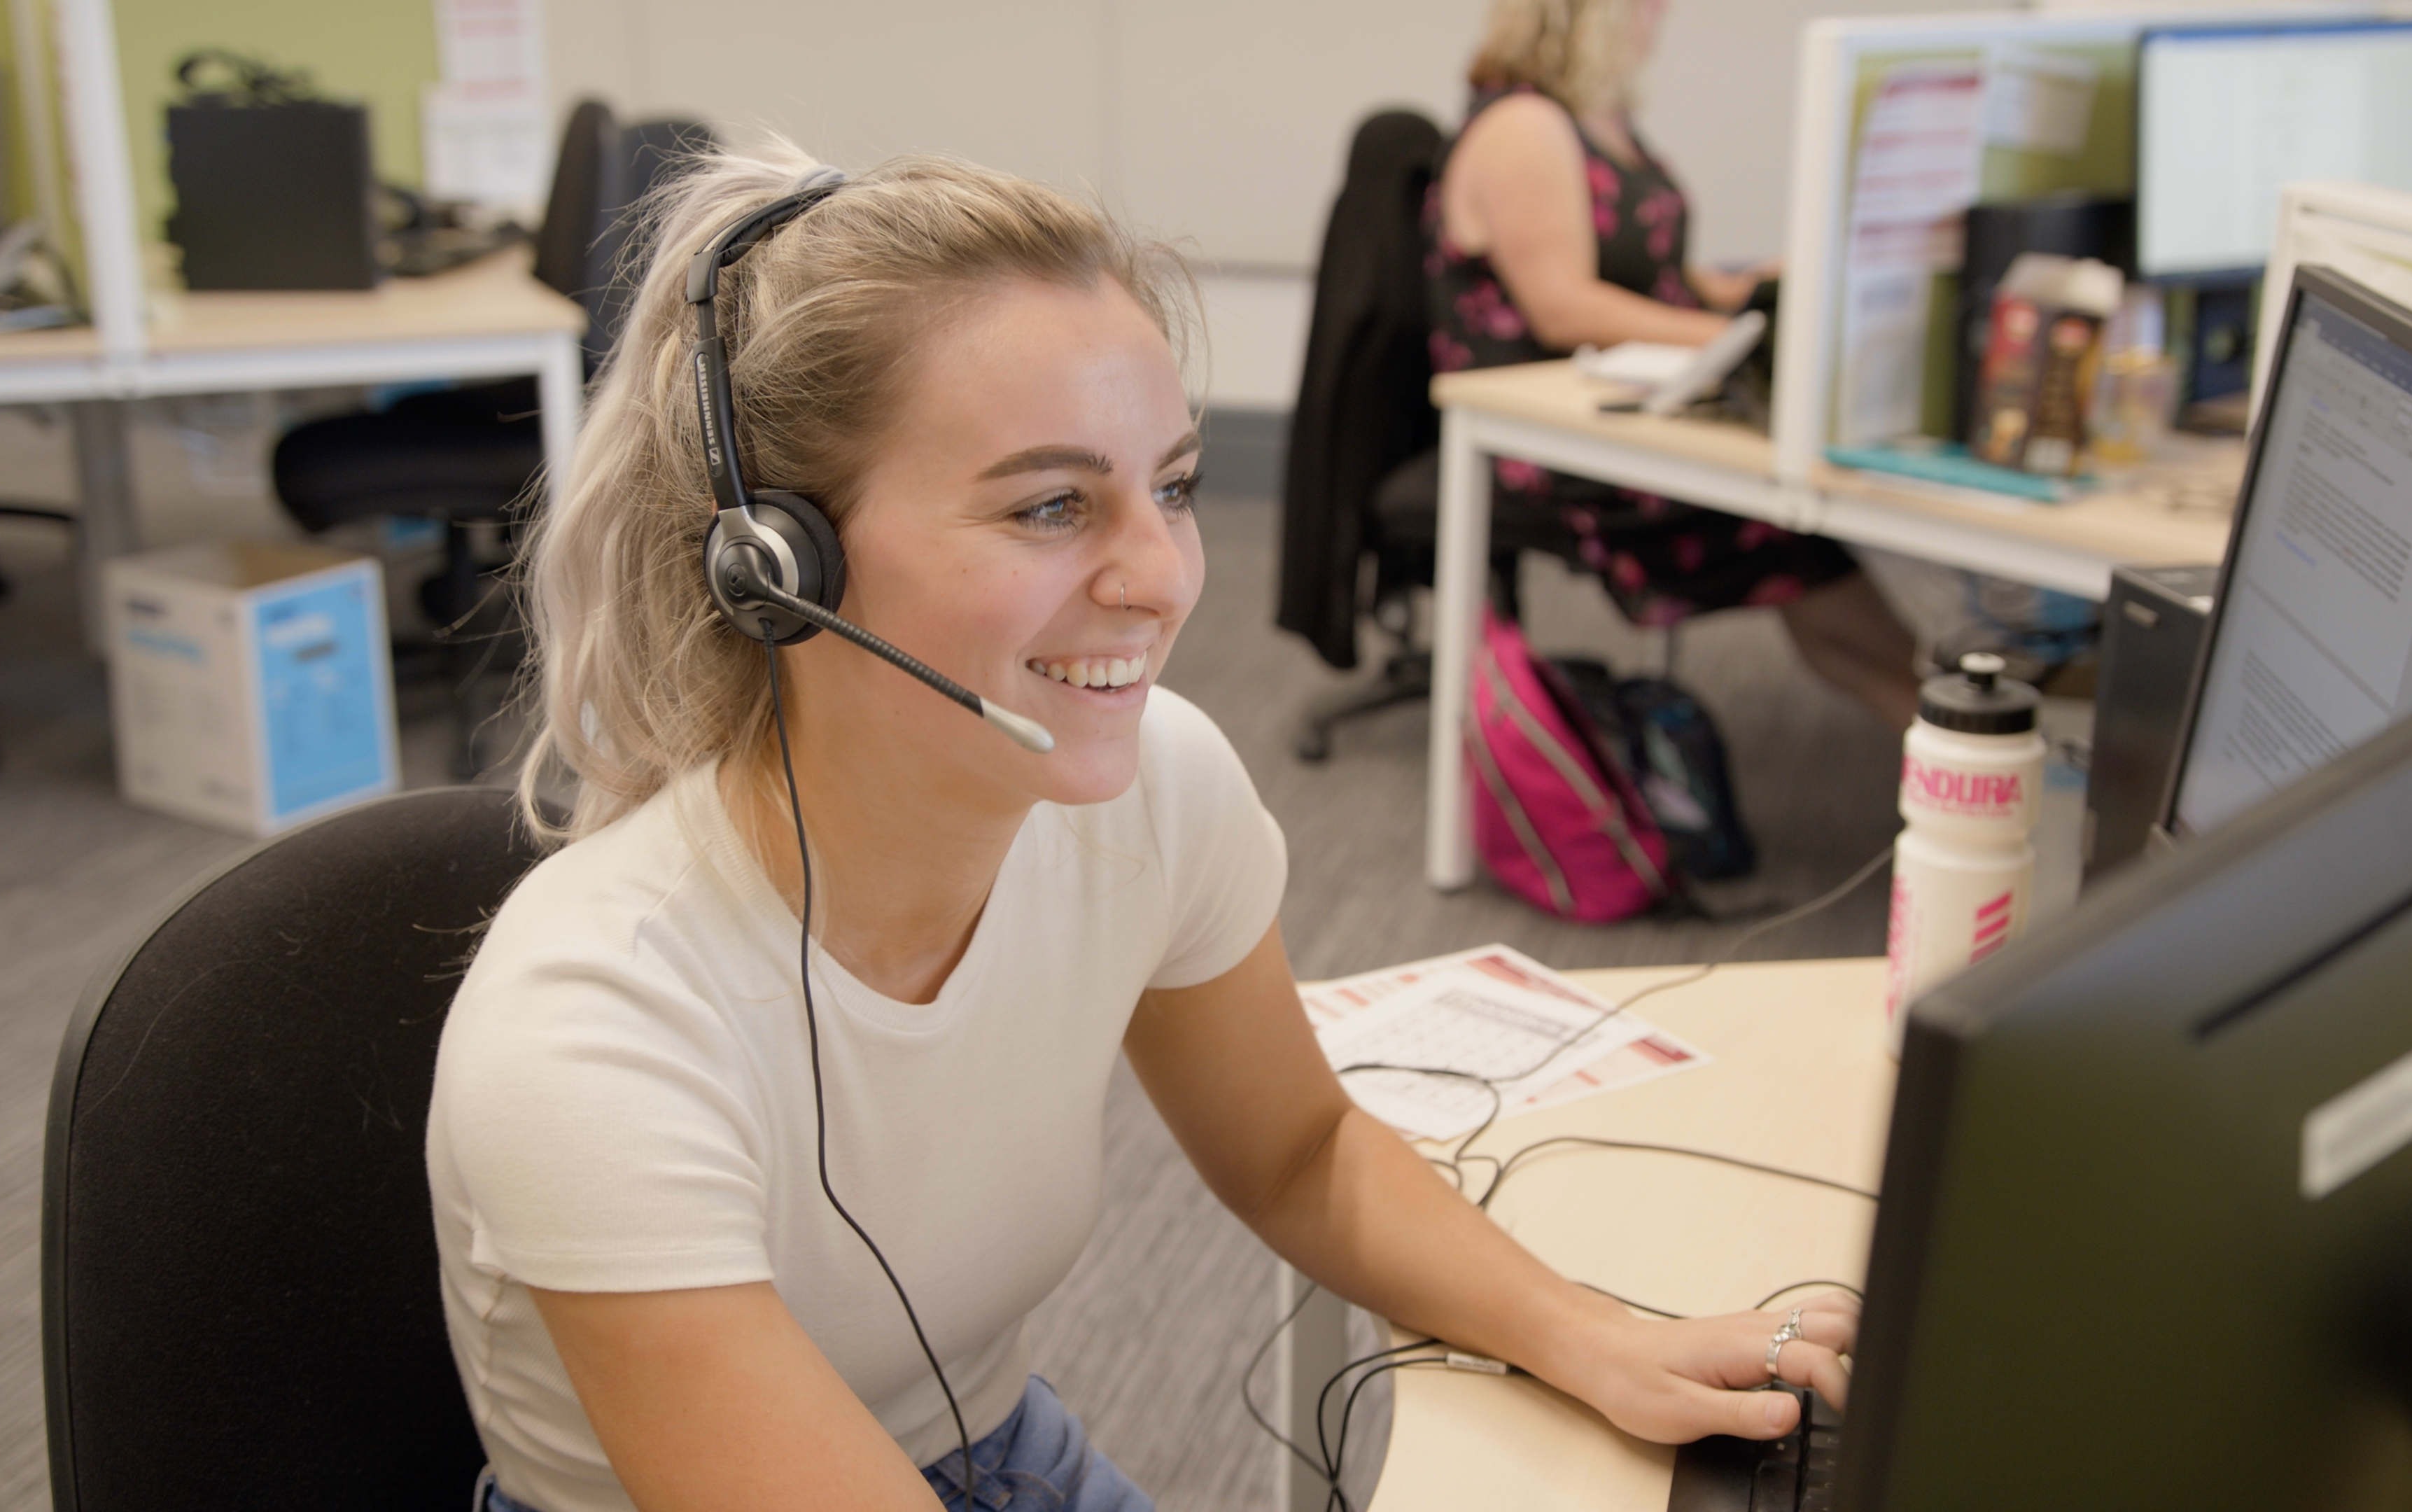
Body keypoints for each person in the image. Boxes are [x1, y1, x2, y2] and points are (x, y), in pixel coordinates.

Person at [426, 140, 1858, 1512]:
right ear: (777, 565)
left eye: (1170, 485)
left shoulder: (1151, 785)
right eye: (1053, 506)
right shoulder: (598, 1031)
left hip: (1001, 1450)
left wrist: (1590, 1335)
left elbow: (1298, 1151)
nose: (1163, 577)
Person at [1431, 0, 1921, 727]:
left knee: (1797, 504)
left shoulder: (1599, 118)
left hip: (1631, 404)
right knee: (1791, 527)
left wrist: (1768, 283)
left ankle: (1933, 713)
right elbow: (1562, 307)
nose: (1658, 13)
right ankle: (1936, 725)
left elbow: (1652, 264)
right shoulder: (1523, 126)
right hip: (1551, 435)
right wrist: (1724, 337)